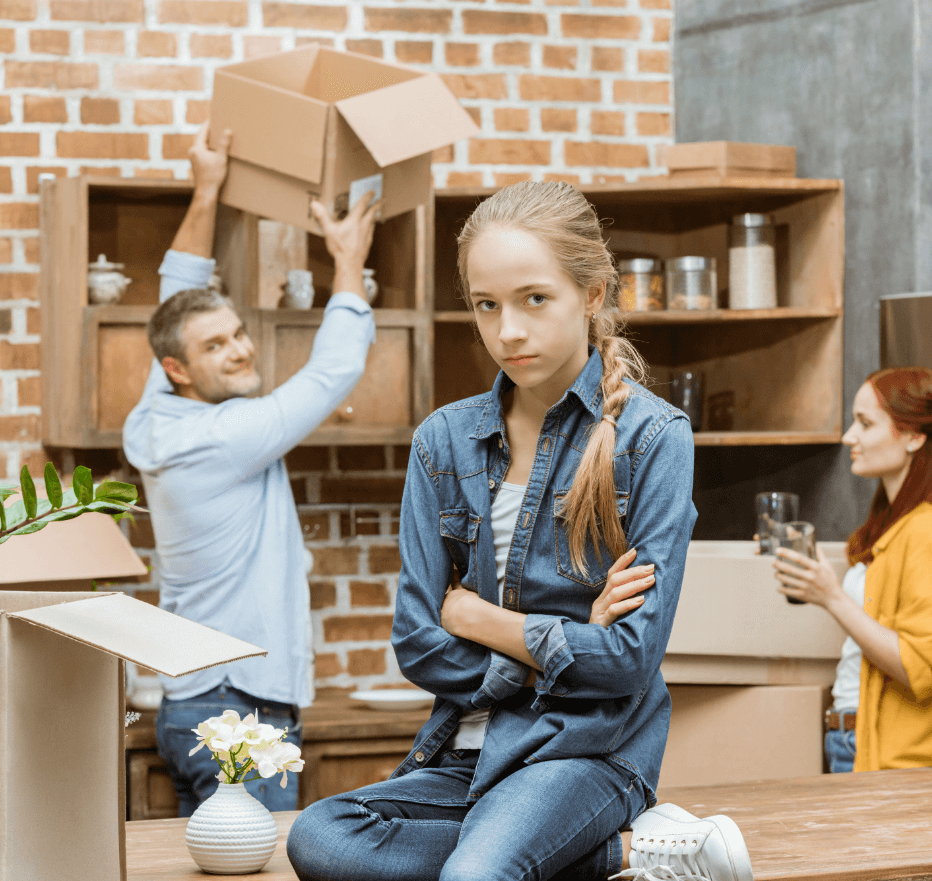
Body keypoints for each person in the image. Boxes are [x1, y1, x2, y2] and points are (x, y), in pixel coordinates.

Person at [286, 181, 753, 881]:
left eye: (535, 298)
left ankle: (558, 839)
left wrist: (480, 618)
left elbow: (627, 659)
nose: (507, 330)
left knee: (475, 876)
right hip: (462, 754)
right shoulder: (443, 441)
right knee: (320, 837)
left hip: (586, 750)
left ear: (592, 293)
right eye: (486, 304)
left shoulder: (654, 437)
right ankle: (630, 852)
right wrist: (557, 645)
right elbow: (418, 641)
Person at [122, 122, 381, 815]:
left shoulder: (157, 412)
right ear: (180, 368)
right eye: (218, 345)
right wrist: (348, 259)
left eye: (237, 332)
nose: (240, 349)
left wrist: (207, 188)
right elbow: (334, 370)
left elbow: (176, 293)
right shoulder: (225, 434)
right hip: (243, 710)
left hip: (188, 707)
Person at [773, 366, 932, 774]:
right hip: (856, 744)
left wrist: (831, 597)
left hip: (896, 762)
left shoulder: (930, 534)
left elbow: (919, 667)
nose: (849, 436)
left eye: (865, 424)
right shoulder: (896, 529)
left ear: (915, 436)